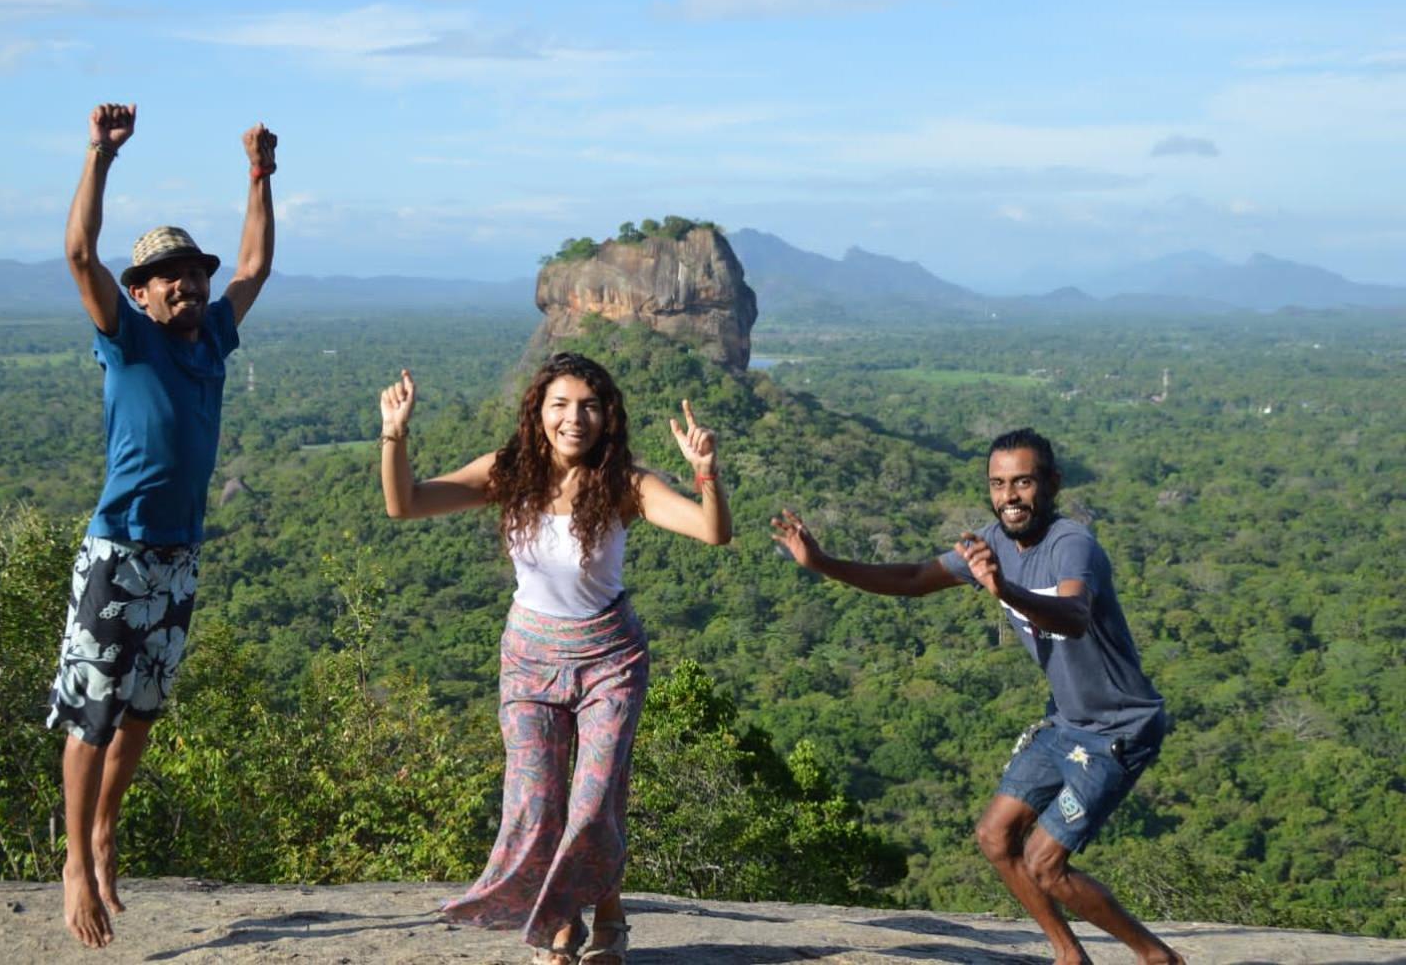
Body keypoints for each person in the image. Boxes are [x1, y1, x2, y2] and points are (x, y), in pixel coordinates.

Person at [771, 428, 1184, 965]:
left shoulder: (1071, 545)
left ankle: (1157, 958)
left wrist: (1005, 590)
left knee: (1044, 863)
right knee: (994, 837)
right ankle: (1068, 956)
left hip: (1118, 729)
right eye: (998, 483)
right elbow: (916, 576)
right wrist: (823, 563)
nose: (1009, 496)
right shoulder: (991, 545)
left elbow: (1075, 616)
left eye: (1022, 482)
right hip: (1066, 720)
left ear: (1051, 483)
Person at [379, 352, 731, 965]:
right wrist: (395, 433)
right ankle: (567, 917)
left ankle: (603, 915)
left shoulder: (624, 484)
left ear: (608, 417)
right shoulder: (508, 472)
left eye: (589, 406)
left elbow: (712, 532)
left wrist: (706, 474)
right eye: (561, 405)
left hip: (610, 658)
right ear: (538, 412)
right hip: (529, 658)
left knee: (595, 799)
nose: (575, 418)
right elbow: (404, 503)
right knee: (536, 802)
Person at [49, 102, 276, 949]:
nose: (186, 283)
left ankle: (106, 831)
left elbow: (254, 262)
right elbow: (79, 253)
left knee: (141, 712)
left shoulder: (212, 340)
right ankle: (75, 859)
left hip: (180, 559)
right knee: (91, 717)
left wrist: (260, 176)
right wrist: (99, 157)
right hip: (119, 553)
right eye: (167, 276)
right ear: (139, 292)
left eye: (193, 273)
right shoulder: (127, 339)